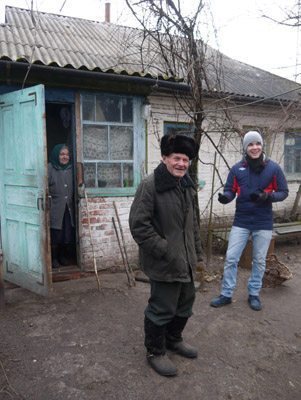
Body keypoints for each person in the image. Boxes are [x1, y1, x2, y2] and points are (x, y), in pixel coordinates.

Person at [129, 133, 203, 377]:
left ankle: (173, 339)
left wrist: (197, 253)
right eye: (176, 158)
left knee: (184, 304)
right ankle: (155, 351)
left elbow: (191, 225)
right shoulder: (150, 186)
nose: (182, 163)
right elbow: (139, 225)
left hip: (186, 261)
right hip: (164, 262)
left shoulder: (186, 185)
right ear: (164, 158)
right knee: (162, 307)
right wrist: (164, 250)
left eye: (186, 159)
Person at [210, 131, 288, 311]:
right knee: (231, 258)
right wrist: (225, 197)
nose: (254, 147)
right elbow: (230, 190)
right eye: (250, 145)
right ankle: (226, 294)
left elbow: (283, 192)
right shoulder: (237, 169)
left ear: (262, 146)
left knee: (259, 260)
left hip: (263, 221)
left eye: (257, 144)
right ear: (245, 148)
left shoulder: (273, 168)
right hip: (242, 221)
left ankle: (254, 293)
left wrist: (266, 196)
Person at [48, 144, 75, 269]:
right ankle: (54, 258)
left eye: (67, 154)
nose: (65, 157)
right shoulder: (50, 168)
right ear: (56, 155)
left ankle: (63, 257)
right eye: (62, 154)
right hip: (55, 208)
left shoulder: (71, 169)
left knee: (67, 233)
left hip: (68, 208)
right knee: (55, 234)